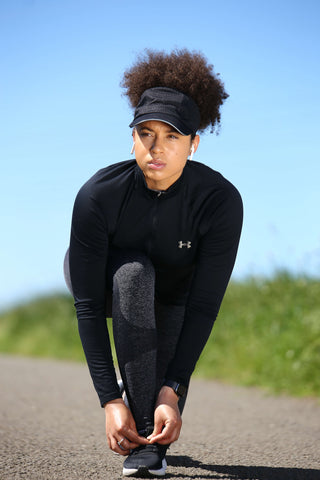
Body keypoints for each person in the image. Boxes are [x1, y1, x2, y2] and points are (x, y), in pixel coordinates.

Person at [64, 49, 243, 478]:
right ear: (132, 139)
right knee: (134, 274)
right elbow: (88, 308)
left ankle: (147, 401)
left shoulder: (220, 202)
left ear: (194, 144)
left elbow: (204, 306)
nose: (155, 148)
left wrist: (174, 390)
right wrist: (110, 401)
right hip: (109, 282)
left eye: (172, 136)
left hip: (178, 291)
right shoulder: (98, 195)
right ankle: (143, 444)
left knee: (162, 391)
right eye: (146, 133)